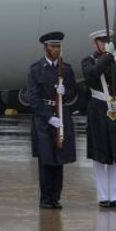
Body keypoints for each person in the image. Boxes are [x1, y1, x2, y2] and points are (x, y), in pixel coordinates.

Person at [81, 29, 116, 208]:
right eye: (101, 41)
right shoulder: (88, 61)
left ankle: (115, 195)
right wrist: (107, 55)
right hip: (98, 111)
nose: (104, 44)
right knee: (99, 155)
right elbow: (92, 75)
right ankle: (103, 196)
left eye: (107, 41)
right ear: (95, 43)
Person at [27, 31, 77, 210]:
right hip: (44, 118)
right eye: (53, 46)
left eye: (58, 46)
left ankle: (56, 197)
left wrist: (66, 92)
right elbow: (32, 99)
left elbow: (74, 94)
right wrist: (49, 117)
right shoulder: (36, 69)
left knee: (59, 160)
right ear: (45, 48)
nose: (56, 50)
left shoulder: (66, 69)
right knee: (46, 160)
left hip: (61, 113)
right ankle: (46, 198)